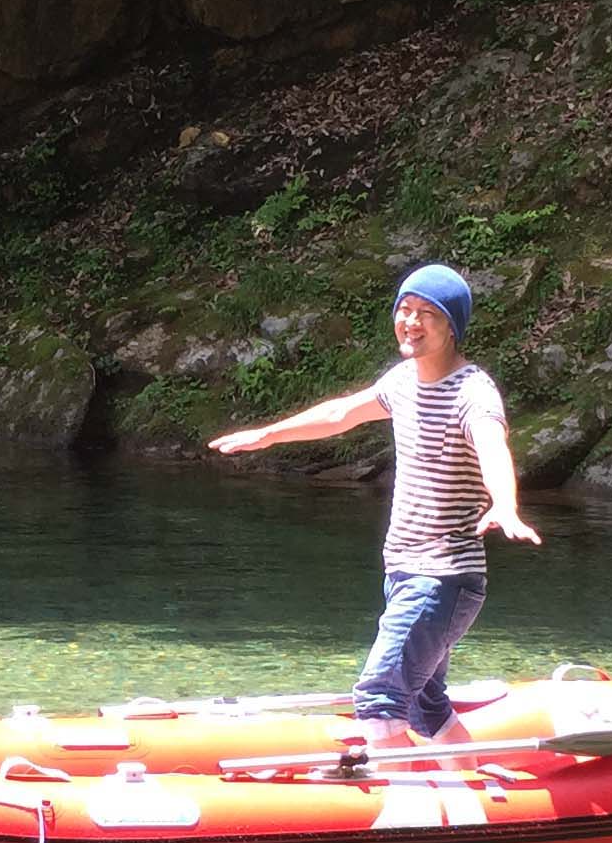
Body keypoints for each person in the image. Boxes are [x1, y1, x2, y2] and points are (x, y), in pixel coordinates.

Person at [209, 263, 539, 749]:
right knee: (426, 704)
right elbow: (341, 413)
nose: (411, 321)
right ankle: (467, 796)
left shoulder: (472, 391)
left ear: (452, 327)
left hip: (442, 579)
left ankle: (410, 812)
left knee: (379, 700)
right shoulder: (403, 381)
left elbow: (493, 445)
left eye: (428, 313)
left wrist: (505, 505)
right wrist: (267, 435)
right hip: (406, 572)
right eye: (405, 309)